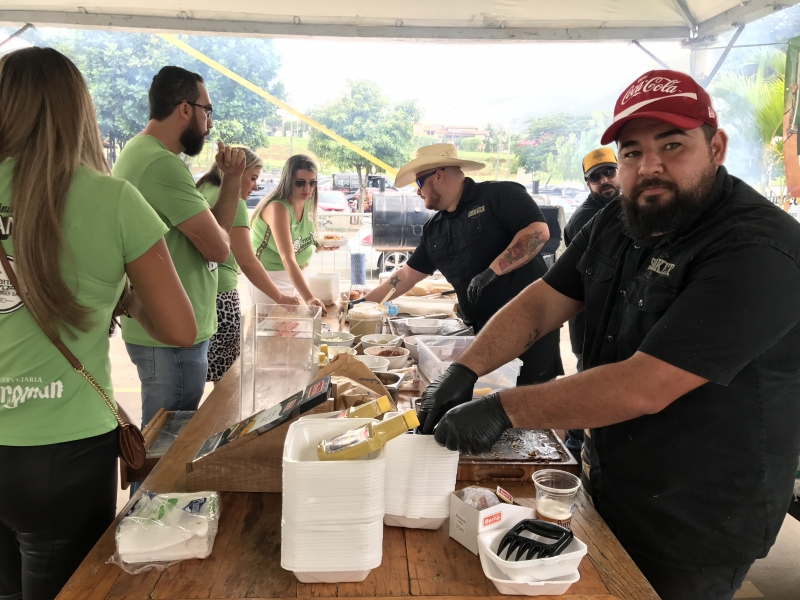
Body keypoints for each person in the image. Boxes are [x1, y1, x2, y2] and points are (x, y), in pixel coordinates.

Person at [417, 70, 800, 600]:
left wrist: (502, 409)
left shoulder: (758, 247)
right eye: (631, 152)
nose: (650, 167)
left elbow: (645, 385)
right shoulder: (620, 219)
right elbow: (543, 302)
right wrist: (465, 370)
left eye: (672, 145)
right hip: (614, 473)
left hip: (701, 509)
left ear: (716, 146)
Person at [0, 48, 195, 600]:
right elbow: (180, 329)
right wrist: (126, 299)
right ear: (77, 112)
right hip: (63, 450)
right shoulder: (111, 200)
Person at [113, 66, 246, 427]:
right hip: (170, 338)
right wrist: (231, 180)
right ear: (185, 109)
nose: (209, 124)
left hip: (166, 330)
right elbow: (218, 248)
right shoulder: (160, 164)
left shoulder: (143, 153)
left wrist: (231, 179)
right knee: (166, 454)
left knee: (163, 444)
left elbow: (214, 235)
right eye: (207, 111)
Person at [364, 143, 562, 384]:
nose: (417, 192)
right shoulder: (433, 228)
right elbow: (406, 275)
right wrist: (365, 304)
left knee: (531, 401)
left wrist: (492, 272)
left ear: (438, 176)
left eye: (418, 183)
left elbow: (538, 233)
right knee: (487, 401)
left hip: (530, 327)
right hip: (480, 333)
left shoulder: (500, 195)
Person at [195, 148, 299, 383]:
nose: (254, 187)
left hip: (199, 293)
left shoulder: (203, 189)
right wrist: (280, 297)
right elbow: (248, 262)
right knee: (227, 381)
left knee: (203, 376)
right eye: (252, 178)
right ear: (235, 171)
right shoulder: (233, 201)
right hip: (221, 296)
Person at [562, 148, 620, 462]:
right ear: (588, 184)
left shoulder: (626, 209)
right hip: (591, 321)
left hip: (610, 321)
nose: (604, 180)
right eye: (595, 177)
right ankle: (572, 452)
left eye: (609, 172)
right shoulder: (589, 219)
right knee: (588, 388)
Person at [249, 154, 327, 314]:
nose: (307, 188)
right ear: (288, 181)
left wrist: (320, 244)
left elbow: (302, 235)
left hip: (300, 275)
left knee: (298, 331)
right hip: (271, 279)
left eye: (312, 183)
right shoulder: (278, 208)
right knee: (272, 332)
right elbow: (287, 258)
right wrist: (309, 297)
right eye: (301, 183)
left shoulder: (307, 202)